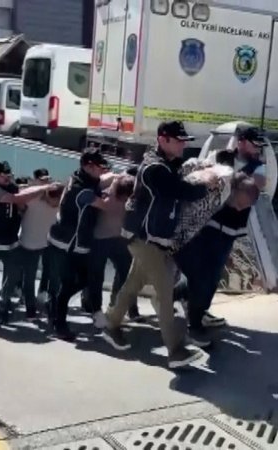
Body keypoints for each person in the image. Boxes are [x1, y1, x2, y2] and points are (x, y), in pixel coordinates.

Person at [102, 120, 217, 369]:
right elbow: (182, 191)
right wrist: (207, 183)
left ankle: (111, 324)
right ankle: (175, 350)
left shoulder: (164, 164)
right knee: (165, 293)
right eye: (179, 141)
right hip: (144, 239)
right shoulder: (155, 169)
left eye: (184, 141)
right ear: (163, 140)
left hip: (149, 237)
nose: (183, 145)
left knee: (133, 284)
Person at [175, 125, 268, 335]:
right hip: (207, 224)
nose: (257, 149)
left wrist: (226, 177)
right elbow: (203, 174)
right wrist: (221, 173)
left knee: (213, 275)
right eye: (254, 144)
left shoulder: (258, 166)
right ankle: (190, 309)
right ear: (241, 142)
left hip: (229, 230)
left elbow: (257, 184)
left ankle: (198, 310)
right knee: (199, 273)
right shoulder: (220, 156)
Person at [173, 173, 261, 347]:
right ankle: (193, 325)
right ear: (232, 192)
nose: (239, 210)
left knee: (212, 281)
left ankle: (189, 305)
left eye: (245, 207)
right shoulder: (214, 199)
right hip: (198, 242)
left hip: (222, 244)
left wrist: (228, 254)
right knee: (201, 281)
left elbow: (235, 231)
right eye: (239, 204)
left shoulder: (246, 206)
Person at [0, 161, 58, 329]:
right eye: (2, 175)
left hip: (10, 242)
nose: (7, 177)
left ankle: (4, 305)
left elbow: (21, 203)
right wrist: (44, 188)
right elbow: (16, 199)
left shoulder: (12, 188)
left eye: (8, 174)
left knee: (14, 275)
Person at [47, 149, 114, 340]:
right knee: (68, 285)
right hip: (67, 244)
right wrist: (115, 190)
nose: (102, 170)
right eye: (99, 167)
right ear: (88, 166)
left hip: (73, 242)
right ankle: (59, 323)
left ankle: (54, 308)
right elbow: (106, 205)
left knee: (82, 280)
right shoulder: (81, 190)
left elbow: (101, 182)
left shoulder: (79, 177)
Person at [82, 173, 139, 328]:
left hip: (108, 239)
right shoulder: (121, 200)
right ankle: (103, 309)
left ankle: (104, 309)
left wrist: (114, 180)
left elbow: (89, 195)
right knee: (108, 275)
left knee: (107, 275)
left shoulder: (110, 198)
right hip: (108, 240)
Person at [18, 168, 63, 321]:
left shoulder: (58, 196)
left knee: (53, 276)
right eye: (42, 180)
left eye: (47, 179)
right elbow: (19, 197)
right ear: (35, 180)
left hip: (49, 242)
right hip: (29, 242)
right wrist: (43, 188)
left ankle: (49, 305)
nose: (46, 181)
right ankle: (30, 308)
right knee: (29, 277)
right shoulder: (31, 197)